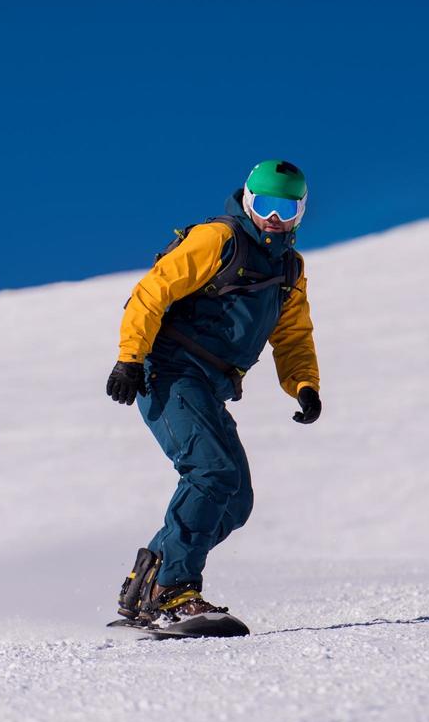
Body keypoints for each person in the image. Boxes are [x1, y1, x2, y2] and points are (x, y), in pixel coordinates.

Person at [106, 159, 322, 628]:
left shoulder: (289, 268)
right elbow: (152, 291)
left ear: (300, 212)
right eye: (264, 206)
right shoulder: (219, 239)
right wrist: (129, 357)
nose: (273, 219)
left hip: (209, 384)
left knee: (235, 500)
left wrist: (303, 385)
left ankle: (151, 578)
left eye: (285, 210)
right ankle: (173, 591)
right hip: (167, 370)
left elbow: (292, 335)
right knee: (211, 472)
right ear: (247, 200)